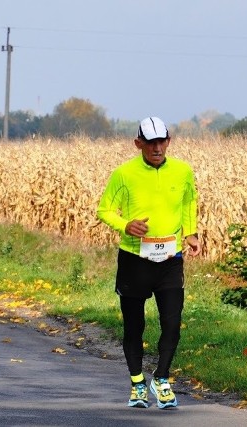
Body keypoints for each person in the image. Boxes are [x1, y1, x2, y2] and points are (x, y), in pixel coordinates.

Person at [96, 116, 202, 409]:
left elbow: (188, 203)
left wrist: (191, 233)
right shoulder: (124, 173)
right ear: (138, 143)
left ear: (169, 141)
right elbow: (104, 210)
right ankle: (137, 384)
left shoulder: (182, 171)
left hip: (170, 258)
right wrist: (125, 224)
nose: (157, 148)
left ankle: (162, 379)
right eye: (151, 142)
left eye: (162, 141)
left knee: (172, 323)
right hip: (134, 260)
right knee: (134, 326)